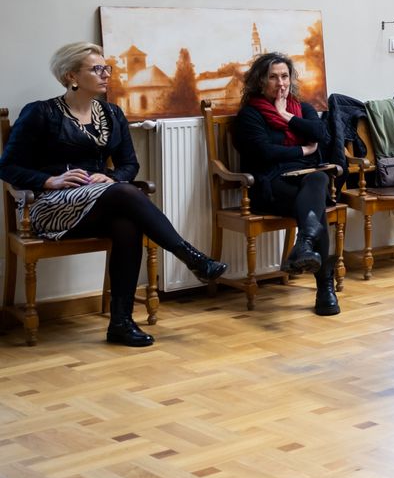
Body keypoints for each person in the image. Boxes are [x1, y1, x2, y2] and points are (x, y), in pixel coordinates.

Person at [0, 43, 226, 346]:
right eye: (97, 69)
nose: (106, 74)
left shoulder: (111, 113)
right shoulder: (41, 113)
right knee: (125, 194)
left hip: (101, 200)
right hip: (50, 206)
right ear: (71, 76)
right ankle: (190, 256)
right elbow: (8, 167)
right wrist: (50, 180)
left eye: (106, 68)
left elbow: (129, 164)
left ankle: (121, 323)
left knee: (127, 223)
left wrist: (108, 176)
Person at [233, 52, 342, 317]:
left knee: (317, 179)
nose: (280, 83)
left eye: (284, 76)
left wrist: (286, 116)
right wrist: (304, 152)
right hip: (270, 183)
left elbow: (321, 136)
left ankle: (304, 243)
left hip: (306, 180)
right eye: (273, 77)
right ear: (260, 82)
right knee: (315, 208)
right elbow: (264, 153)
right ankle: (325, 289)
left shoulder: (299, 108)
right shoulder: (250, 115)